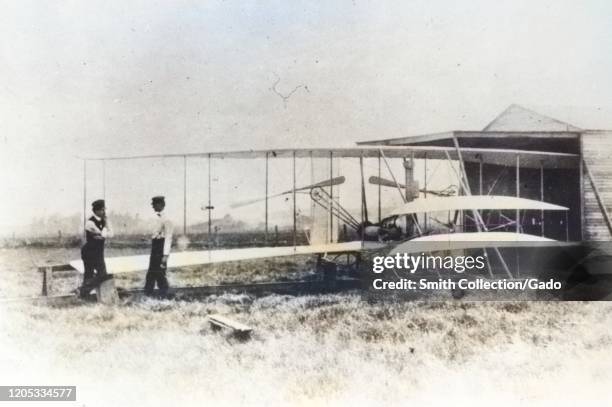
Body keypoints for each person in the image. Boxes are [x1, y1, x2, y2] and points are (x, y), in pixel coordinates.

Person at [80, 199, 113, 297]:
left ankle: (84, 291)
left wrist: (105, 227)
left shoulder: (104, 220)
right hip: (89, 252)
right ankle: (84, 293)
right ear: (96, 211)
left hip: (98, 252)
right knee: (90, 274)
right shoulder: (90, 223)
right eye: (102, 210)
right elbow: (103, 234)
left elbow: (111, 234)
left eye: (104, 210)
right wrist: (104, 232)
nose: (104, 212)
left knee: (102, 274)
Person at [145, 196, 173, 297]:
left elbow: (168, 238)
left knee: (159, 273)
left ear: (161, 204)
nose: (153, 206)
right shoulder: (157, 218)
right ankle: (148, 295)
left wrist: (165, 255)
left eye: (155, 204)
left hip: (161, 248)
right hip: (155, 246)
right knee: (151, 272)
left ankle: (163, 295)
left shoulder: (167, 219)